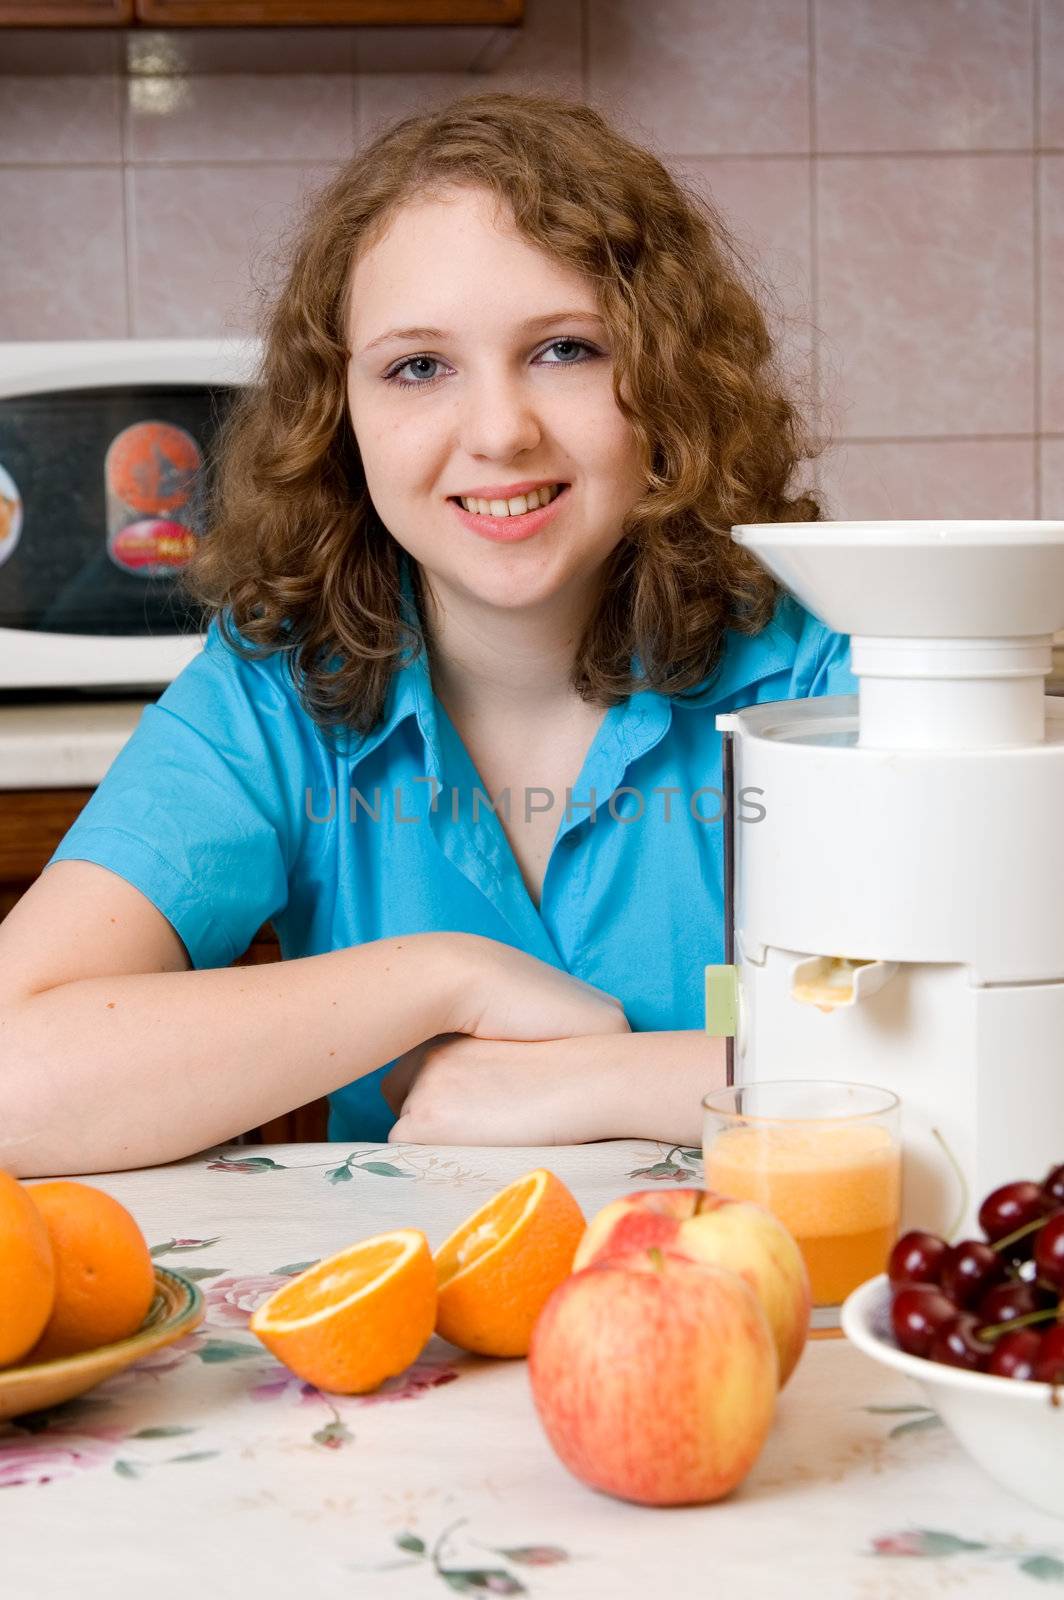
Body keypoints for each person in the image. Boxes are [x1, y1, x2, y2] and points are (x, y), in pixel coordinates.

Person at [0, 91, 855, 1177]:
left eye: (564, 349)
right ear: (337, 414)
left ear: (669, 379)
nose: (499, 430)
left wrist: (587, 1079)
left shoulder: (822, 674)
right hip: (417, 1328)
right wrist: (440, 977)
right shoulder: (274, 690)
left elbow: (988, 1054)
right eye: (417, 367)